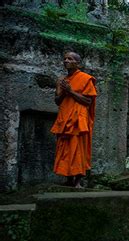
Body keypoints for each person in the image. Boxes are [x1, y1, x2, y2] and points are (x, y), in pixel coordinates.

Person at [51, 52, 97, 188]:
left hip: (78, 121)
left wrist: (70, 91)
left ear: (78, 63)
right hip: (65, 118)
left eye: (70, 59)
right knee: (65, 149)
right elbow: (57, 101)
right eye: (64, 58)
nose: (66, 61)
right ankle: (69, 179)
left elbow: (88, 101)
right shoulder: (61, 80)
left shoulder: (85, 78)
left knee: (78, 150)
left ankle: (78, 181)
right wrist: (64, 91)